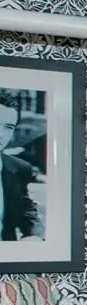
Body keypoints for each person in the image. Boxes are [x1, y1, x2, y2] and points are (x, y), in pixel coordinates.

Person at [0, 91, 43, 242]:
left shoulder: (19, 168)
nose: (1, 134)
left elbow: (27, 212)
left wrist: (34, 235)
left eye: (8, 127)